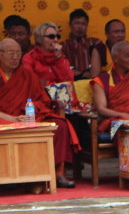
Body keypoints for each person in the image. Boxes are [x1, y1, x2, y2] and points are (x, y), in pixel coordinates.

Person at [0, 38, 78, 188]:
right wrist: (11, 118)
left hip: (25, 116)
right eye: (10, 53)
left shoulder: (26, 74)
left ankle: (57, 173)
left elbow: (42, 100)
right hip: (4, 118)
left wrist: (30, 110)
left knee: (59, 125)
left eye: (18, 53)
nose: (15, 57)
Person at [63, 8, 106, 81]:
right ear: (70, 25)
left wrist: (77, 73)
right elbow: (62, 70)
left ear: (87, 26)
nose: (80, 27)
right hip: (71, 83)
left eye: (83, 24)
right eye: (77, 23)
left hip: (92, 83)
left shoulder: (95, 43)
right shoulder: (63, 46)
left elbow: (99, 71)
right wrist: (83, 73)